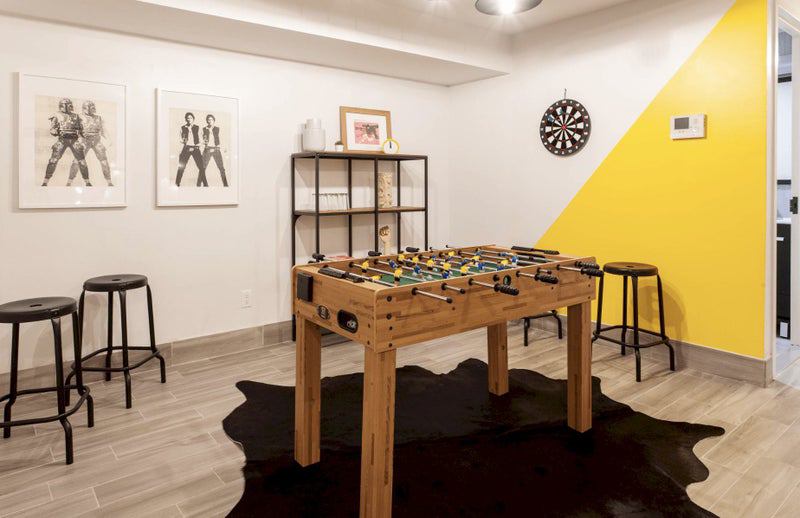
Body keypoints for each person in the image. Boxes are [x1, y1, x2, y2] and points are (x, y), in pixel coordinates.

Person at [42, 98, 89, 187]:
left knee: (82, 161)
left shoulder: (76, 116)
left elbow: (81, 130)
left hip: (74, 140)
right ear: (62, 106)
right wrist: (55, 132)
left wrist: (83, 137)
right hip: (62, 140)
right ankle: (45, 181)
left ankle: (87, 182)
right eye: (66, 105)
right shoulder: (56, 115)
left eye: (70, 105)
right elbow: (52, 129)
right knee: (53, 160)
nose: (69, 107)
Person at [68, 100, 113, 187]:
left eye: (91, 108)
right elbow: (74, 130)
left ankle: (109, 182)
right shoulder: (79, 117)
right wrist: (76, 140)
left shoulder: (98, 118)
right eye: (87, 108)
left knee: (104, 161)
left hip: (96, 141)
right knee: (76, 161)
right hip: (84, 141)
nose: (89, 110)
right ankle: (69, 181)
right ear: (84, 108)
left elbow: (103, 130)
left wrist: (109, 140)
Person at [175, 112, 205, 187]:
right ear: (186, 119)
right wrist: (183, 141)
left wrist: (197, 145)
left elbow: (202, 139)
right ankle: (177, 184)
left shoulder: (198, 127)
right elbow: (179, 138)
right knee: (181, 167)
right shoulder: (182, 127)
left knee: (201, 167)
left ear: (193, 119)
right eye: (187, 118)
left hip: (195, 148)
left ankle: (205, 184)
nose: (189, 119)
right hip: (186, 148)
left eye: (190, 118)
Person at [201, 114, 228, 187]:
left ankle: (226, 185)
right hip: (207, 149)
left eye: (211, 119)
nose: (210, 121)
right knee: (202, 168)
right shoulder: (203, 129)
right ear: (207, 121)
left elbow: (222, 139)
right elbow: (201, 140)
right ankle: (199, 185)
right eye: (208, 120)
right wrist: (204, 143)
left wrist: (224, 149)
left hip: (216, 149)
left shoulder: (217, 129)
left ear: (214, 121)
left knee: (221, 168)